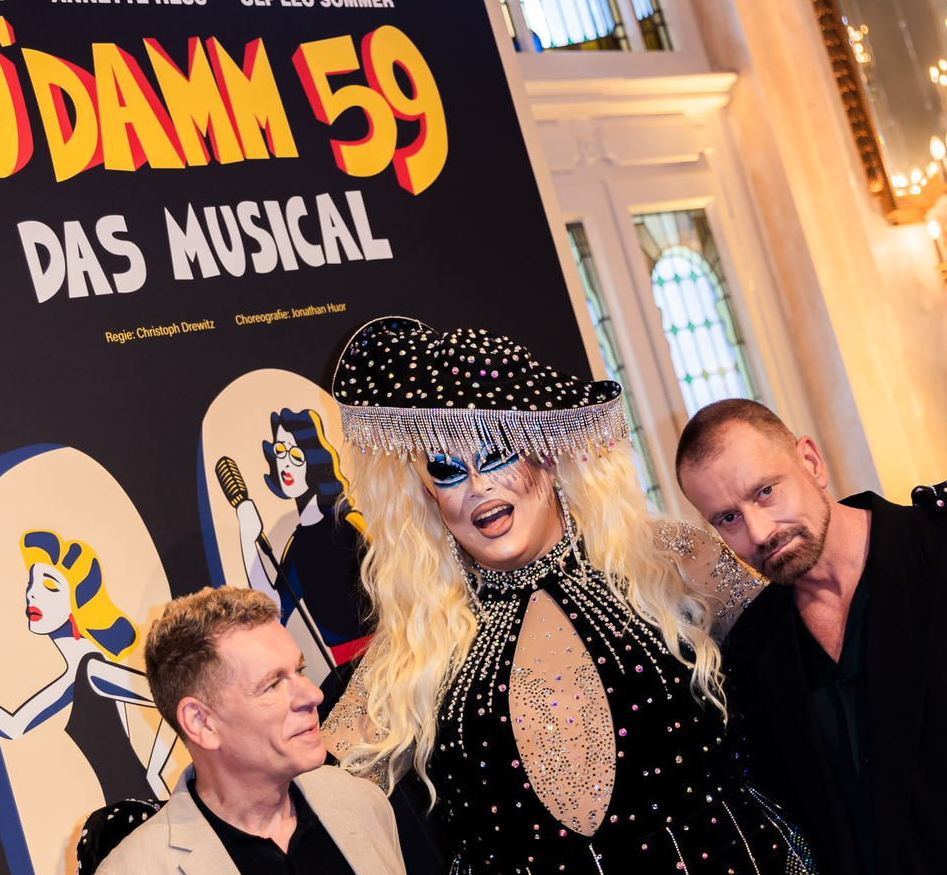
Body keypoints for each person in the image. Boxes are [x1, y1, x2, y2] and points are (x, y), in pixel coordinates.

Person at [322, 316, 816, 873]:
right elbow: (321, 788)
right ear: (427, 495)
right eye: (446, 471)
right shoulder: (422, 638)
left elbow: (813, 659)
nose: (478, 487)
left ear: (546, 453)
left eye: (496, 453)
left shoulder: (667, 559)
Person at [675, 399, 947, 875]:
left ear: (811, 462)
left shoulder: (937, 544)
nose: (759, 533)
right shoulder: (748, 651)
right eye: (727, 518)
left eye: (764, 492)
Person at [97, 585, 406, 875]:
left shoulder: (359, 799)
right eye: (272, 685)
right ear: (201, 723)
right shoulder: (137, 868)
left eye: (299, 671)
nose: (314, 695)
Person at [0, 529, 175, 803]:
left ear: (76, 603)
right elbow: (13, 726)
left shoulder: (93, 668)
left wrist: (155, 774)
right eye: (31, 582)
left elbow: (172, 699)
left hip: (135, 807)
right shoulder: (75, 675)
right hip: (120, 806)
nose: (32, 594)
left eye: (50, 586)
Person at [232, 408, 370, 702]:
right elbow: (273, 609)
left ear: (314, 459)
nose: (285, 463)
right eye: (280, 452)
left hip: (383, 663)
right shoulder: (299, 542)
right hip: (347, 672)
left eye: (295, 455)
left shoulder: (349, 526)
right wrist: (247, 538)